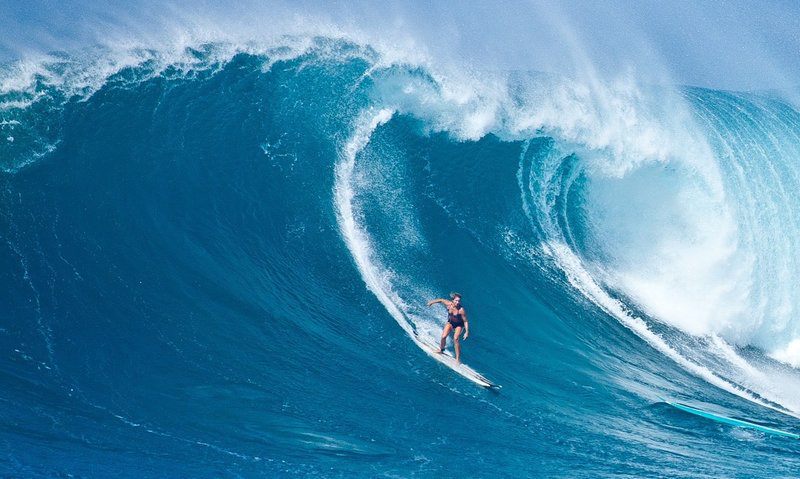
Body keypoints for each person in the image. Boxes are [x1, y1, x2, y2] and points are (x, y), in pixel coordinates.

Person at [426, 292, 469, 363]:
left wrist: (466, 332)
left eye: (459, 301)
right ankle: (441, 350)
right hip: (450, 323)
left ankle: (458, 359)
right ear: (453, 300)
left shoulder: (461, 310)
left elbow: (465, 321)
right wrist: (431, 302)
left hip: (459, 325)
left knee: (456, 339)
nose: (458, 302)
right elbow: (440, 300)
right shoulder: (449, 304)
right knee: (443, 336)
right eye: (456, 300)